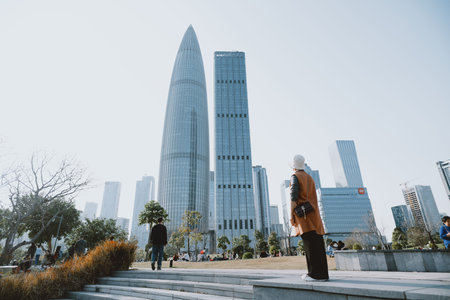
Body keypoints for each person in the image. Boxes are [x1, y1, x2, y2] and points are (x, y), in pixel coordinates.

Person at [290, 154, 329, 282]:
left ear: (294, 167)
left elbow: (293, 198)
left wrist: (291, 215)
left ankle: (314, 274)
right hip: (315, 216)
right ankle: (322, 274)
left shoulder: (295, 177)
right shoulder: (310, 178)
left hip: (304, 216)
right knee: (317, 243)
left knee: (309, 244)